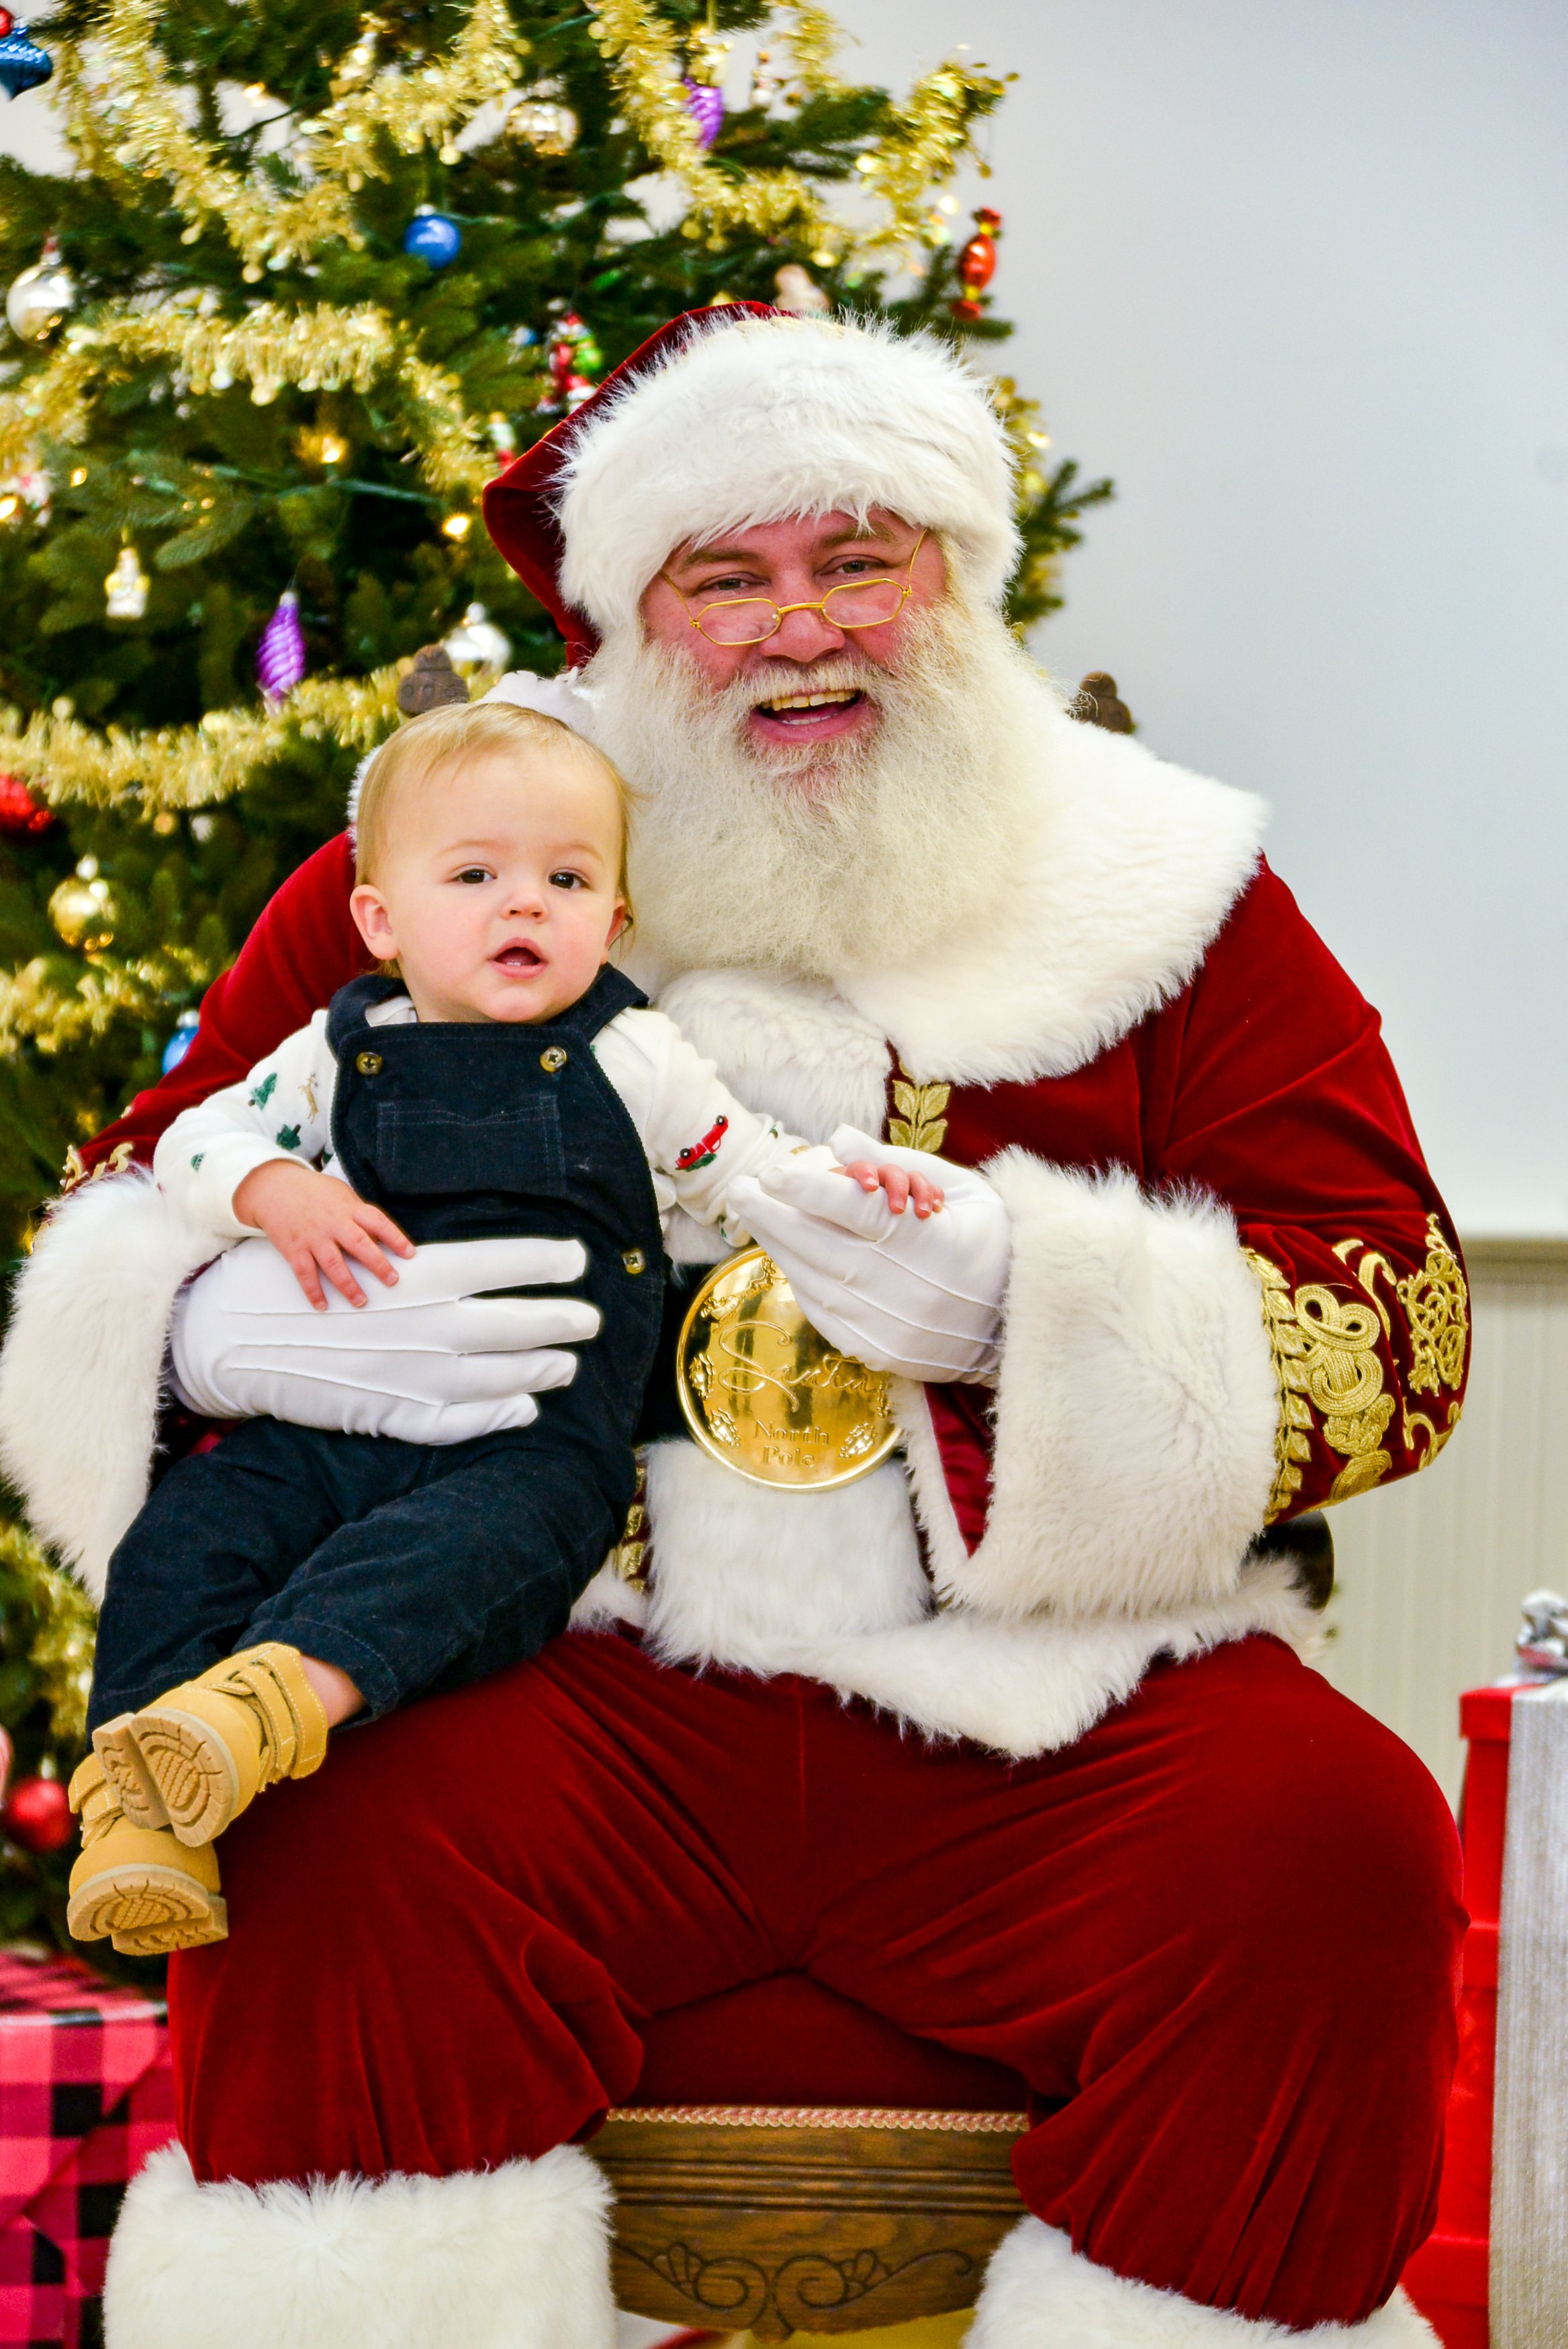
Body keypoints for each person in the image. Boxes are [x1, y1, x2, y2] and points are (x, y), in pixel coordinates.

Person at [0, 307, 1467, 2348]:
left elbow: (1395, 1312)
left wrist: (1039, 1312)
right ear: (628, 613)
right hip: (548, 1663)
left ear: (952, 575)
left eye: (859, 558)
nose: (803, 629)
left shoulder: (1169, 888)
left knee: (1335, 1846)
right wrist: (228, 1331)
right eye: (726, 578)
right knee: (323, 1825)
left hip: (1054, 1701)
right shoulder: (459, 856)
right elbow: (134, 1198)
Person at [68, 695, 939, 1955]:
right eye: (475, 874)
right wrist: (274, 1187)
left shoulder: (636, 1054)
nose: (524, 903)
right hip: (332, 1412)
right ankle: (142, 1811)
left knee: (456, 1560)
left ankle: (264, 1705)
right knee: (186, 1540)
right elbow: (200, 1136)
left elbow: (746, 1174)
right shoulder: (332, 1053)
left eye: (567, 878)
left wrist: (863, 1190)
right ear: (380, 917)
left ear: (616, 923)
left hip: (531, 1440)